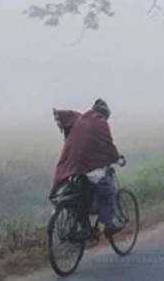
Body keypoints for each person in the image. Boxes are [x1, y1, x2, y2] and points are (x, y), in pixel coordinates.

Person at [50, 98, 125, 236]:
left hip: (70, 165)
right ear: (105, 114)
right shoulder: (100, 122)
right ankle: (108, 225)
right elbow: (108, 145)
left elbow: (67, 117)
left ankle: (83, 225)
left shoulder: (82, 118)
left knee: (82, 193)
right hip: (86, 165)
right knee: (108, 191)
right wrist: (117, 159)